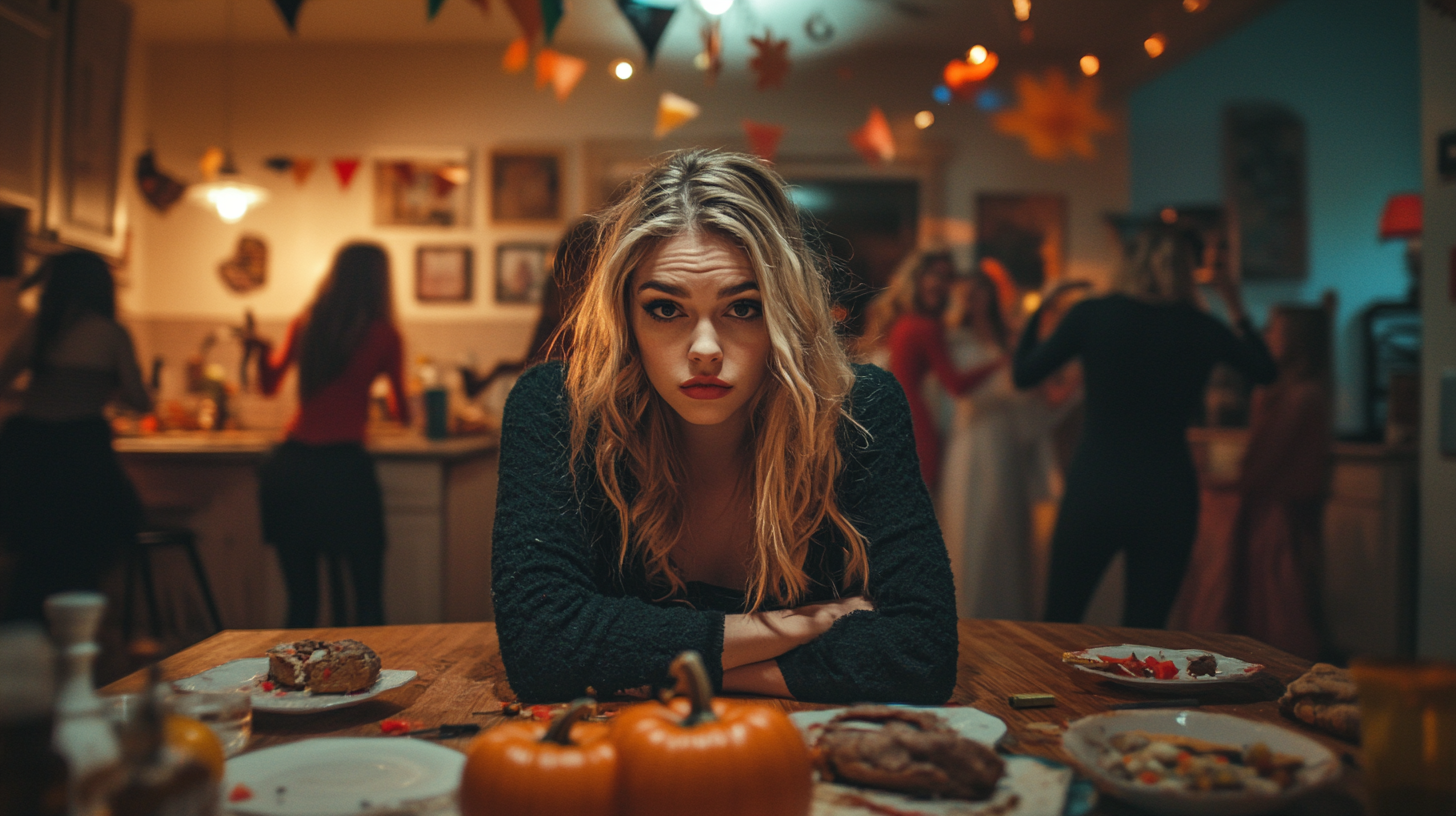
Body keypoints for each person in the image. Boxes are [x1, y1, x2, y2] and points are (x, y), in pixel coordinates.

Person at [491, 149, 958, 703]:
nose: (706, 350)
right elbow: (543, 650)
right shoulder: (559, 410)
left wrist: (653, 667)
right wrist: (807, 624)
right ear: (625, 316)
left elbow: (920, 653)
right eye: (666, 309)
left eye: (745, 308)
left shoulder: (858, 410)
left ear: (787, 312)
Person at [1013, 224, 1277, 628]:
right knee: (1146, 630)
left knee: (1060, 620)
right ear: (1184, 271)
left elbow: (1025, 373)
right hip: (1167, 492)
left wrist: (1040, 309)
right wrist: (1235, 305)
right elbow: (1265, 371)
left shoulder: (1093, 314)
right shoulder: (1201, 327)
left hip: (1095, 487)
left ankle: (1047, 693)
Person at [250, 242, 410, 628]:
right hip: (343, 471)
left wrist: (261, 352)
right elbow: (401, 414)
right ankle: (370, 684)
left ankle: (290, 684)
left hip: (290, 468)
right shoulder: (384, 335)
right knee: (367, 601)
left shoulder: (305, 323)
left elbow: (268, 385)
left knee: (302, 604)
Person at [0, 250, 152, 622]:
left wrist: (42, 389)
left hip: (27, 449)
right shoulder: (110, 333)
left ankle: (24, 647)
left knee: (34, 556)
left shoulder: (41, 328)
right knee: (83, 554)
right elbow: (140, 400)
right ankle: (76, 645)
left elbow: (2, 381)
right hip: (80, 453)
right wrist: (100, 388)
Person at [938, 271, 1071, 620]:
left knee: (1006, 526)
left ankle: (1008, 613)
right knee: (974, 528)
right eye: (969, 293)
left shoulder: (1006, 338)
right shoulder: (953, 339)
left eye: (982, 292)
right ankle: (968, 613)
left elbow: (1029, 389)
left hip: (1006, 439)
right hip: (972, 439)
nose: (975, 300)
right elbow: (955, 392)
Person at [1225, 302, 1333, 659]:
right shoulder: (1290, 391)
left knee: (1279, 612)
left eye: (1276, 330)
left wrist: (1224, 484)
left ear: (1297, 340)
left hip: (1281, 516)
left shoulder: (1302, 395)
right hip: (1275, 509)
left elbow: (1263, 461)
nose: (1268, 336)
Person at [860, 250, 1004, 490]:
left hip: (890, 419)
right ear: (917, 277)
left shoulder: (901, 320)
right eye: (934, 274)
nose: (940, 283)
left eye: (947, 277)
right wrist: (998, 364)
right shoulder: (926, 327)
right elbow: (956, 385)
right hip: (916, 424)